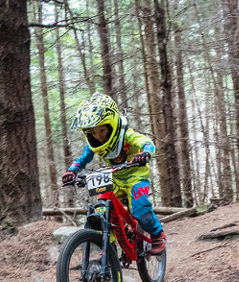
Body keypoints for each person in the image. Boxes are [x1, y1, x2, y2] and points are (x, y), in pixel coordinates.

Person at [62, 92, 166, 255]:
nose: (98, 136)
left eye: (102, 130)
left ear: (112, 125)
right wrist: (72, 171)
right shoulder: (93, 144)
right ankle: (109, 249)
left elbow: (147, 143)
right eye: (93, 133)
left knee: (140, 208)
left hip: (136, 176)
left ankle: (157, 234)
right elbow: (82, 160)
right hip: (114, 177)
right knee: (102, 213)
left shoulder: (127, 135)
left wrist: (145, 153)